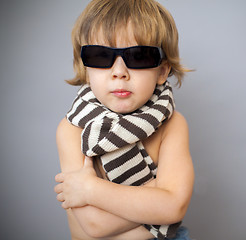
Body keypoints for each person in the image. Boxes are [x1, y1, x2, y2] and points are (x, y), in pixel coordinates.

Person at [53, 0, 194, 239]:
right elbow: (95, 225)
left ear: (161, 71)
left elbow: (174, 207)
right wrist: (156, 196)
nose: (119, 71)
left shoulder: (171, 124)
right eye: (100, 55)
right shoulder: (73, 128)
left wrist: (91, 189)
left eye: (138, 56)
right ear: (86, 68)